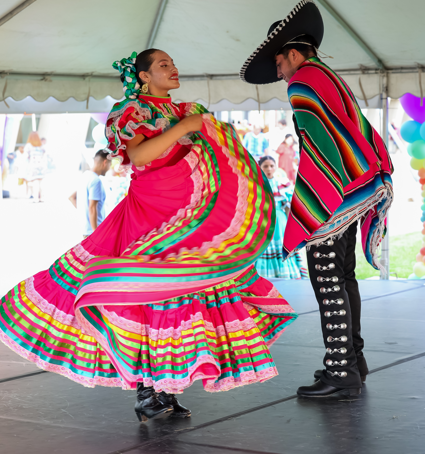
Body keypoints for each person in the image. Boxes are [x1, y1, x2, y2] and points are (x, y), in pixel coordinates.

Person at [0, 49, 297, 422]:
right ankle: (146, 390)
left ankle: (166, 388)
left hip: (187, 213)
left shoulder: (185, 110)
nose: (174, 69)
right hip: (149, 214)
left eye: (173, 63)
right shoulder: (133, 112)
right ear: (143, 76)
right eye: (163, 65)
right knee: (146, 294)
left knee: (183, 294)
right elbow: (139, 156)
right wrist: (186, 128)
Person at [240, 0, 393, 397]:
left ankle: (340, 372)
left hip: (335, 193)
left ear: (293, 53)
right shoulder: (329, 76)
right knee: (343, 275)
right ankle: (353, 361)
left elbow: (319, 147)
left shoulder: (303, 82)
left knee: (326, 276)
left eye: (278, 63)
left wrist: (310, 204)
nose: (279, 73)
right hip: (356, 186)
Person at [256, 156, 308, 279]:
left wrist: (292, 226)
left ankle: (284, 274)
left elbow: (288, 207)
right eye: (265, 166)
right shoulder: (256, 185)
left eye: (271, 166)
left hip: (280, 223)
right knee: (264, 246)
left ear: (276, 167)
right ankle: (264, 276)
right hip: (263, 222)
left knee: (281, 246)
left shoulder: (282, 184)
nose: (269, 169)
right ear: (260, 168)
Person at [69, 149, 111, 237]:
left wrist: (84, 215)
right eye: (109, 165)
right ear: (105, 162)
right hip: (93, 233)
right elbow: (92, 208)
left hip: (86, 230)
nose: (109, 168)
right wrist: (96, 234)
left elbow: (72, 197)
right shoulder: (96, 181)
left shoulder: (85, 176)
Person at [24, 131, 47, 202]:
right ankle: (42, 198)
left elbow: (25, 155)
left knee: (35, 182)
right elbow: (45, 154)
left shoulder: (29, 145)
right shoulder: (41, 145)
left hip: (33, 165)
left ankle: (36, 198)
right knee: (41, 182)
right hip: (42, 165)